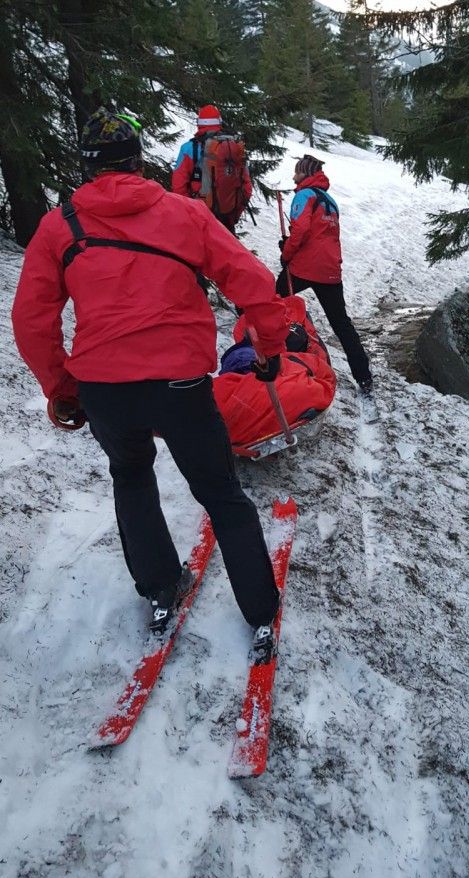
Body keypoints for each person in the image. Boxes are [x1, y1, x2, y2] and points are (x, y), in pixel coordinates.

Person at [12, 107, 288, 661]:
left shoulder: (59, 225)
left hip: (105, 389)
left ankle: (162, 588)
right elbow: (249, 279)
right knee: (221, 493)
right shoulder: (182, 213)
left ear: (86, 164)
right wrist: (270, 344)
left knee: (132, 478)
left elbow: (31, 320)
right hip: (180, 383)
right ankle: (259, 611)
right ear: (138, 159)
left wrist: (62, 386)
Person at [276, 155, 373, 394]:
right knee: (342, 324)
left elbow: (300, 231)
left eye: (297, 172)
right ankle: (364, 376)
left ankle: (276, 358)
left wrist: (286, 253)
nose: (293, 176)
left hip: (304, 267)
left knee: (274, 302)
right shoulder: (329, 200)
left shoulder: (304, 196)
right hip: (330, 270)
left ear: (305, 174)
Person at [171, 104, 252, 231]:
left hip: (198, 221)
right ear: (219, 122)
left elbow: (178, 187)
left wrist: (188, 217)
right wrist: (232, 216)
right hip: (226, 222)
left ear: (199, 123)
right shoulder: (233, 148)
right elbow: (247, 188)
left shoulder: (189, 148)